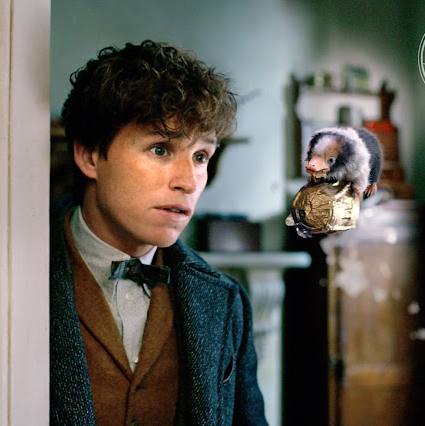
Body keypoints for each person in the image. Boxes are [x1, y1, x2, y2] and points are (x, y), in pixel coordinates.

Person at [50, 40, 267, 425]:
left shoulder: (225, 301)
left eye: (200, 156)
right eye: (160, 149)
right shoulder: (12, 280)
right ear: (89, 156)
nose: (188, 181)